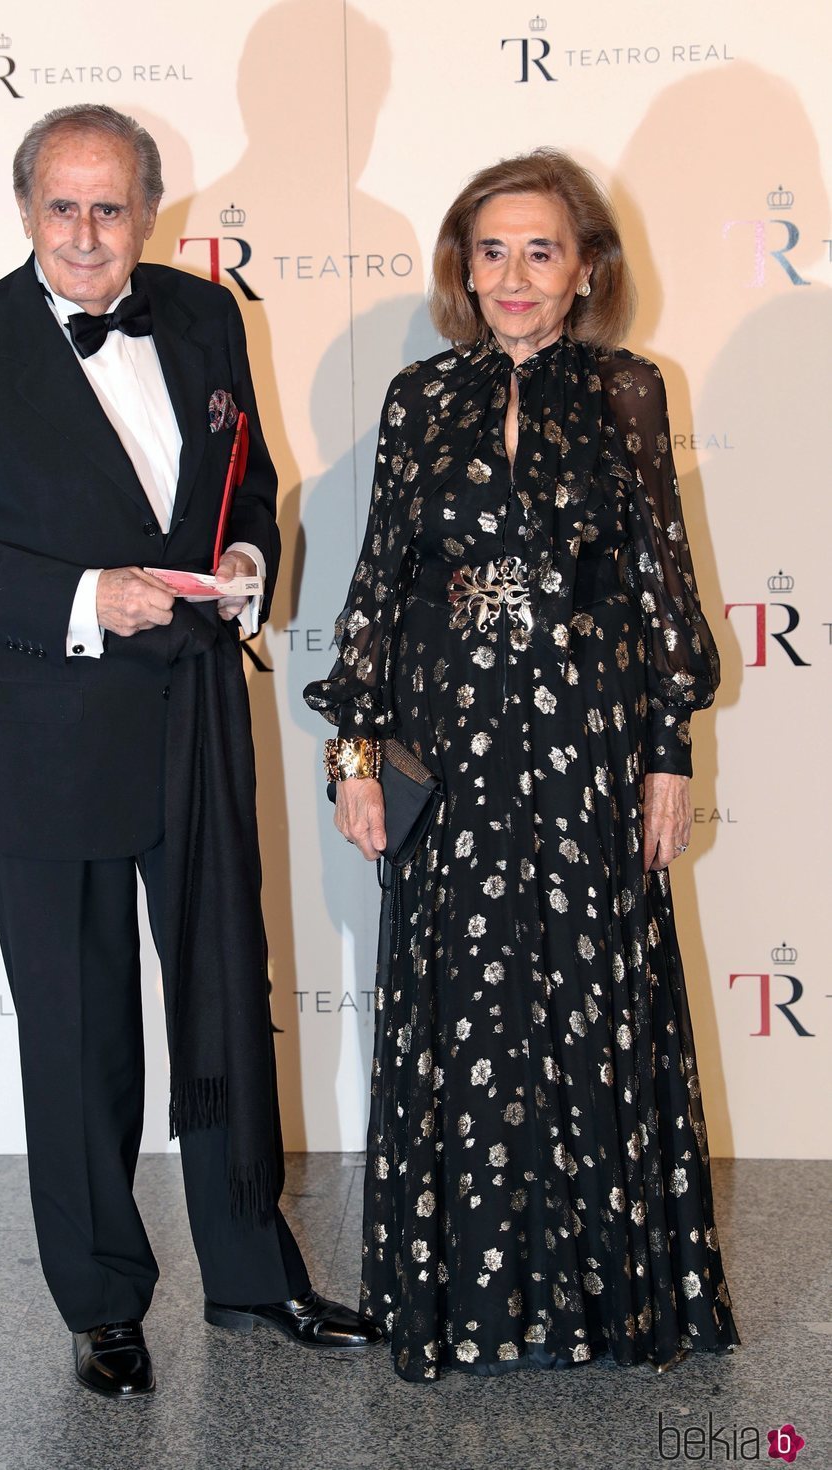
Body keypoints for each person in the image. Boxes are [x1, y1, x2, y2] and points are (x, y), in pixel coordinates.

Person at [0, 103, 381, 1398]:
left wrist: (249, 561)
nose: (90, 233)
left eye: (112, 208)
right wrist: (82, 601)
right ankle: (103, 1300)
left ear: (149, 210)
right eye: (65, 207)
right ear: (27, 210)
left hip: (200, 716)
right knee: (81, 1032)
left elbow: (251, 480)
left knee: (229, 991)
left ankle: (252, 1271)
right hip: (52, 741)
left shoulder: (208, 317)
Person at [305, 148, 739, 1382]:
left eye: (538, 250)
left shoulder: (625, 393)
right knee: (464, 1011)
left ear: (584, 266)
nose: (511, 275)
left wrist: (666, 753)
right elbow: (379, 584)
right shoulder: (416, 400)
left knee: (592, 1004)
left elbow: (661, 584)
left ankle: (603, 1303)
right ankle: (465, 1303)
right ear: (462, 267)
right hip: (451, 754)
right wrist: (354, 754)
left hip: (586, 750)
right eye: (489, 250)